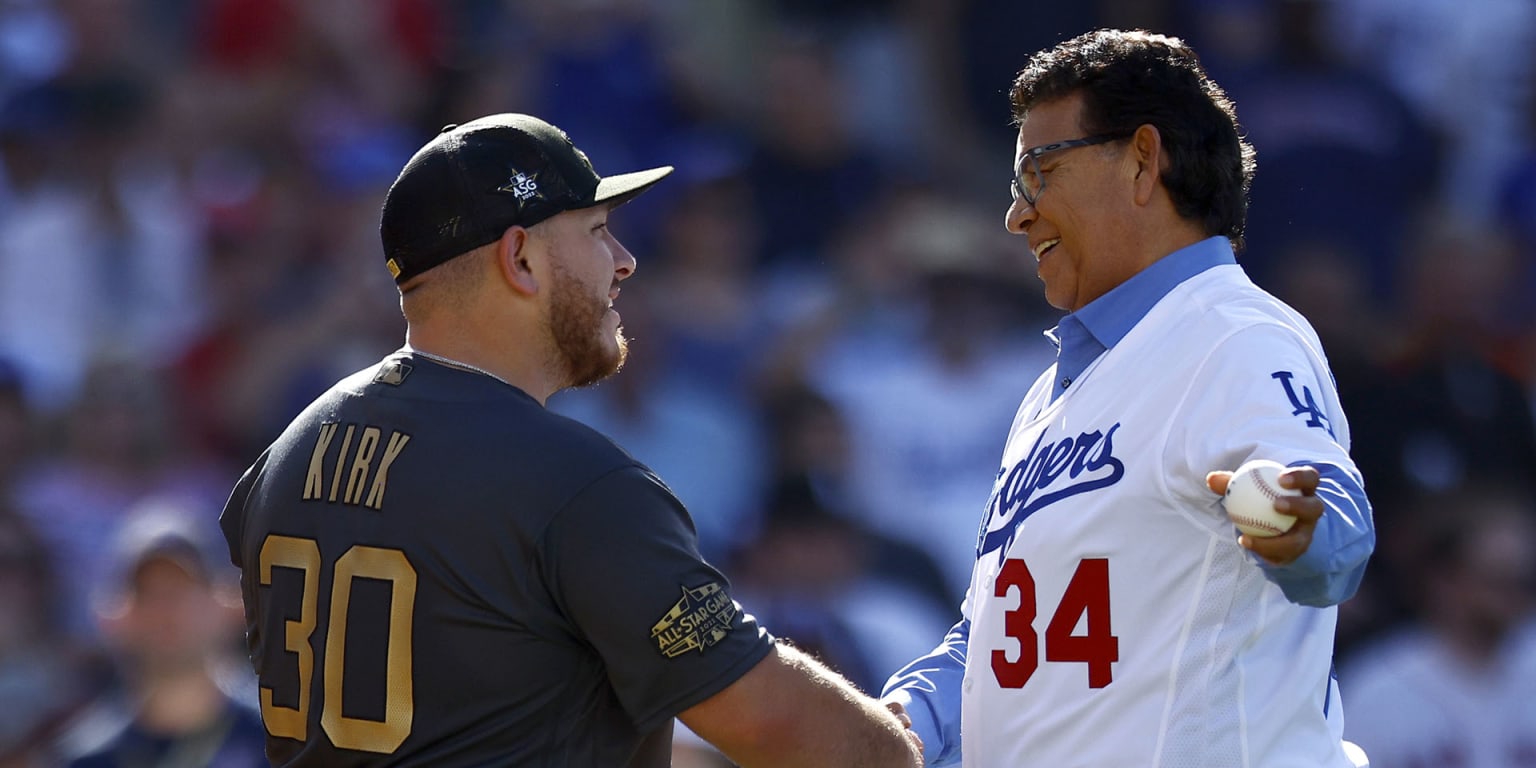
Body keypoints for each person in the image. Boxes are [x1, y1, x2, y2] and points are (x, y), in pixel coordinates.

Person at [219, 113, 922, 767]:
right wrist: (906, 743)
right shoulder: (578, 485)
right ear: (520, 258)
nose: (623, 261)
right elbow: (776, 722)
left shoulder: (284, 455)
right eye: (595, 231)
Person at [880, 29, 1375, 767]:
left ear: (1143, 160)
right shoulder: (1052, 392)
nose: (1017, 215)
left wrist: (1290, 523)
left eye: (1036, 174)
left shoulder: (1233, 334)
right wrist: (907, 713)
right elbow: (1003, 636)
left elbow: (1332, 532)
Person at [1340, 482, 1536, 766]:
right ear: (1443, 581)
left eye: (1522, 581)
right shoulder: (1376, 687)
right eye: (1495, 579)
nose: (1510, 595)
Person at [65, 508, 266, 768]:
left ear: (229, 605)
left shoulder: (283, 743)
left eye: (182, 590)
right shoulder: (86, 759)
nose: (166, 610)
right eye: (148, 593)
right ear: (115, 617)